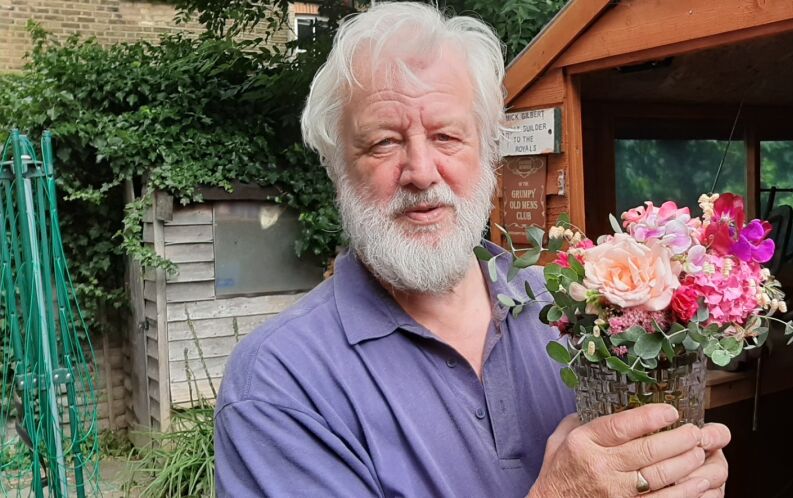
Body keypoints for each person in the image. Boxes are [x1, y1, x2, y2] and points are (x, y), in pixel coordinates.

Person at [213, 3, 730, 497]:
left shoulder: (570, 310)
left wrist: (677, 476)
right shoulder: (281, 382)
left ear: (488, 152)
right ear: (336, 166)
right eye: (384, 142)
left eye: (446, 136)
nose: (421, 172)